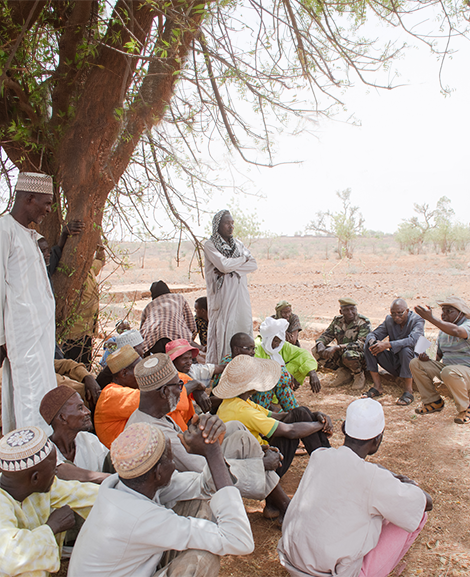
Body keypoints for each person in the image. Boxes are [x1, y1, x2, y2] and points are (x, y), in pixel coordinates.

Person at [68, 421, 254, 577]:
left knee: (198, 505)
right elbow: (239, 540)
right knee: (202, 561)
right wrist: (213, 454)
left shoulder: (128, 483)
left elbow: (203, 486)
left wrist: (212, 444)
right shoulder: (140, 517)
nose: (174, 466)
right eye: (171, 460)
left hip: (136, 567)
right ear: (157, 473)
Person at [278, 398, 432, 577]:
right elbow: (425, 503)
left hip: (292, 562)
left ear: (344, 428)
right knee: (415, 513)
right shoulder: (374, 478)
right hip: (331, 573)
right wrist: (404, 482)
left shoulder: (320, 456)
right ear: (378, 439)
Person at [126, 354, 286, 514]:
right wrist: (259, 463)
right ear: (164, 392)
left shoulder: (153, 415)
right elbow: (199, 468)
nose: (181, 390)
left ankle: (276, 502)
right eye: (179, 385)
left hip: (190, 474)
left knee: (237, 430)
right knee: (239, 446)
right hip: (180, 495)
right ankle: (280, 504)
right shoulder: (151, 432)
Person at [214, 355, 332, 481]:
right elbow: (290, 431)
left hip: (258, 453)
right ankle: (327, 463)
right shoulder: (242, 410)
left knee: (300, 412)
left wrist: (314, 415)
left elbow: (277, 416)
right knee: (300, 414)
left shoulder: (236, 401)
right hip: (263, 463)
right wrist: (320, 425)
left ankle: (326, 461)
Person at [0, 426, 98, 576]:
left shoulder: (42, 487)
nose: (57, 473)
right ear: (35, 478)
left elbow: (80, 493)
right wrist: (53, 526)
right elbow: (12, 557)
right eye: (53, 469)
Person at [0, 172, 56, 433]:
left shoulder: (30, 236)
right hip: (20, 338)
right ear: (29, 197)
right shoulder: (4, 230)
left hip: (38, 339)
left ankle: (41, 456)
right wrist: (1, 338)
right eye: (46, 203)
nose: (48, 209)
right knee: (28, 396)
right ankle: (30, 459)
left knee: (41, 395)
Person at [204, 210, 257, 363]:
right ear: (217, 225)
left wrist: (231, 270)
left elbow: (253, 264)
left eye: (232, 223)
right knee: (224, 335)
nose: (231, 226)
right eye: (227, 223)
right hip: (223, 299)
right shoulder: (210, 245)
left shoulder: (238, 244)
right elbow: (223, 265)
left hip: (241, 298)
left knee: (243, 328)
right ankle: (224, 372)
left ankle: (244, 369)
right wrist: (241, 261)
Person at [412, 297, 470, 424]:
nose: (444, 314)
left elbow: (457, 331)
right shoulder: (443, 332)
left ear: (461, 313)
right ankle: (433, 401)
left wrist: (431, 318)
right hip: (449, 371)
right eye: (443, 311)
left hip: (466, 372)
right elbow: (439, 355)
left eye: (449, 311)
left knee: (448, 371)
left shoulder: (467, 325)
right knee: (415, 363)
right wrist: (427, 360)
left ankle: (465, 409)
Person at [212, 332, 300, 412]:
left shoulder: (245, 362)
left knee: (280, 379)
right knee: (270, 383)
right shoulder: (230, 366)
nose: (253, 352)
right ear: (236, 350)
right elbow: (217, 398)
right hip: (238, 409)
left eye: (254, 348)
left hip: (252, 406)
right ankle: (295, 414)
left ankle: (295, 413)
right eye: (249, 349)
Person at [40, 385, 110, 483]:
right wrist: (110, 479)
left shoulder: (89, 439)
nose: (88, 412)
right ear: (62, 417)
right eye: (80, 408)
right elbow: (61, 471)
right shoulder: (45, 451)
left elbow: (111, 462)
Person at [363, 298, 424, 406]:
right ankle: (377, 387)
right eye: (393, 314)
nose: (396, 317)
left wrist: (387, 344)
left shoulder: (417, 320)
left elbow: (413, 340)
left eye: (400, 313)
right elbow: (372, 334)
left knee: (405, 350)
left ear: (407, 311)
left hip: (413, 364)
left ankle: (408, 391)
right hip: (396, 362)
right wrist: (374, 342)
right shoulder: (389, 320)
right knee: (369, 345)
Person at [62, 243, 105, 369]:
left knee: (85, 365)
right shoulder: (72, 274)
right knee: (74, 366)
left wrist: (99, 245)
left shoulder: (89, 269)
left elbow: (100, 260)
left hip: (87, 330)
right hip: (74, 332)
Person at [314, 298, 371, 390]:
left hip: (359, 356)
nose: (350, 312)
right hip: (342, 353)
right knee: (316, 350)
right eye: (346, 310)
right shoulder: (337, 321)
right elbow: (327, 335)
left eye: (353, 309)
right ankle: (343, 372)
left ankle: (358, 375)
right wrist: (320, 343)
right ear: (341, 312)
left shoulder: (363, 322)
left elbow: (361, 345)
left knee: (348, 354)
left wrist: (337, 347)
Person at [256, 316, 322, 394]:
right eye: (275, 341)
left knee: (298, 361)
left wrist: (313, 373)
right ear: (268, 337)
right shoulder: (257, 346)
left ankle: (283, 398)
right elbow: (261, 371)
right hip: (262, 391)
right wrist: (286, 376)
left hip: (281, 390)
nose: (277, 345)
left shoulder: (281, 346)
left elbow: (303, 354)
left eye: (279, 342)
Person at [94, 345, 142, 448]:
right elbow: (154, 399)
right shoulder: (111, 393)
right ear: (124, 373)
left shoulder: (121, 390)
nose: (143, 373)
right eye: (139, 369)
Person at [140, 280, 197, 355]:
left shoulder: (149, 306)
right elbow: (191, 325)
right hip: (176, 337)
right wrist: (189, 340)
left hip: (153, 341)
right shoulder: (179, 298)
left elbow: (142, 329)